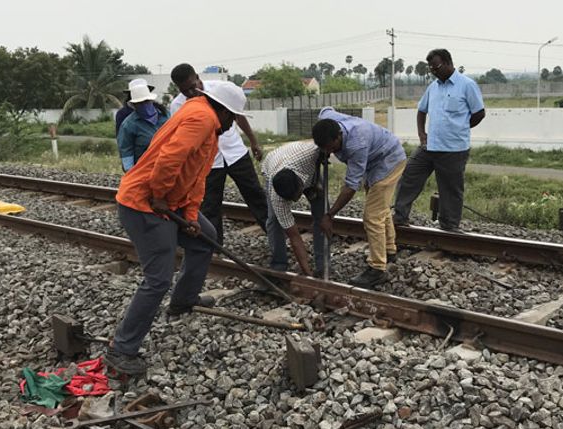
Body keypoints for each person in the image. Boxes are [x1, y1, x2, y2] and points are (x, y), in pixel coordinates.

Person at [105, 81, 249, 375]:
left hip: (171, 201)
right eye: (233, 117)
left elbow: (196, 176)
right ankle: (122, 349)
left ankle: (183, 301)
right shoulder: (202, 118)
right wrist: (159, 195)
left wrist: (192, 216)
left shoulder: (207, 121)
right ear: (223, 111)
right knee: (158, 279)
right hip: (144, 203)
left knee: (206, 237)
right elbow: (170, 158)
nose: (233, 123)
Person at [170, 63, 268, 245]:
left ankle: (275, 237)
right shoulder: (177, 106)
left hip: (235, 152)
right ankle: (215, 247)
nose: (191, 93)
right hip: (209, 162)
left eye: (193, 87)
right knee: (210, 205)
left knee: (256, 195)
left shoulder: (221, 89)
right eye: (185, 91)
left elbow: (238, 115)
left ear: (198, 78)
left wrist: (253, 141)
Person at [312, 107, 407, 288]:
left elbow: (350, 187)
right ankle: (389, 250)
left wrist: (330, 214)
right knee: (381, 208)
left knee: (372, 216)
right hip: (375, 161)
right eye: (324, 148)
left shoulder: (356, 145)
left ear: (339, 136)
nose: (329, 151)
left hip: (389, 161)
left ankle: (377, 269)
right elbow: (325, 109)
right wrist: (324, 151)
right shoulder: (327, 119)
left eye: (331, 148)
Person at [393, 49, 485, 232]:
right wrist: (422, 135)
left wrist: (460, 128)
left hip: (453, 149)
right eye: (431, 69)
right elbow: (422, 110)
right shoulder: (433, 87)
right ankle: (399, 216)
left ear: (449, 63)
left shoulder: (467, 85)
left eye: (436, 67)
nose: (433, 71)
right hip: (429, 146)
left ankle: (449, 227)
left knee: (450, 190)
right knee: (409, 176)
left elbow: (479, 113)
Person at [261, 140, 327, 276]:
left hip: (300, 159)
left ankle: (323, 265)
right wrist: (307, 273)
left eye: (296, 196)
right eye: (290, 199)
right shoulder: (277, 197)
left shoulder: (310, 154)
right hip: (272, 164)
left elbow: (326, 142)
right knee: (274, 220)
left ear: (301, 184)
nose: (295, 201)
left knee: (322, 216)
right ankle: (279, 264)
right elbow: (294, 236)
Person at [116, 79, 170, 172]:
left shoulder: (166, 116)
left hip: (168, 166)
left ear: (151, 100)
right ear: (134, 105)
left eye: (146, 101)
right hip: (144, 169)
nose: (144, 105)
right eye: (140, 103)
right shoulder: (128, 125)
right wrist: (131, 172)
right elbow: (126, 151)